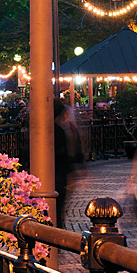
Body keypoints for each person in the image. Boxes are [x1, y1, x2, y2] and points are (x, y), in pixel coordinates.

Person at [54, 98, 82, 228]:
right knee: (58, 208)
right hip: (58, 177)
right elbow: (62, 153)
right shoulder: (58, 130)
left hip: (55, 176)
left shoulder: (55, 129)